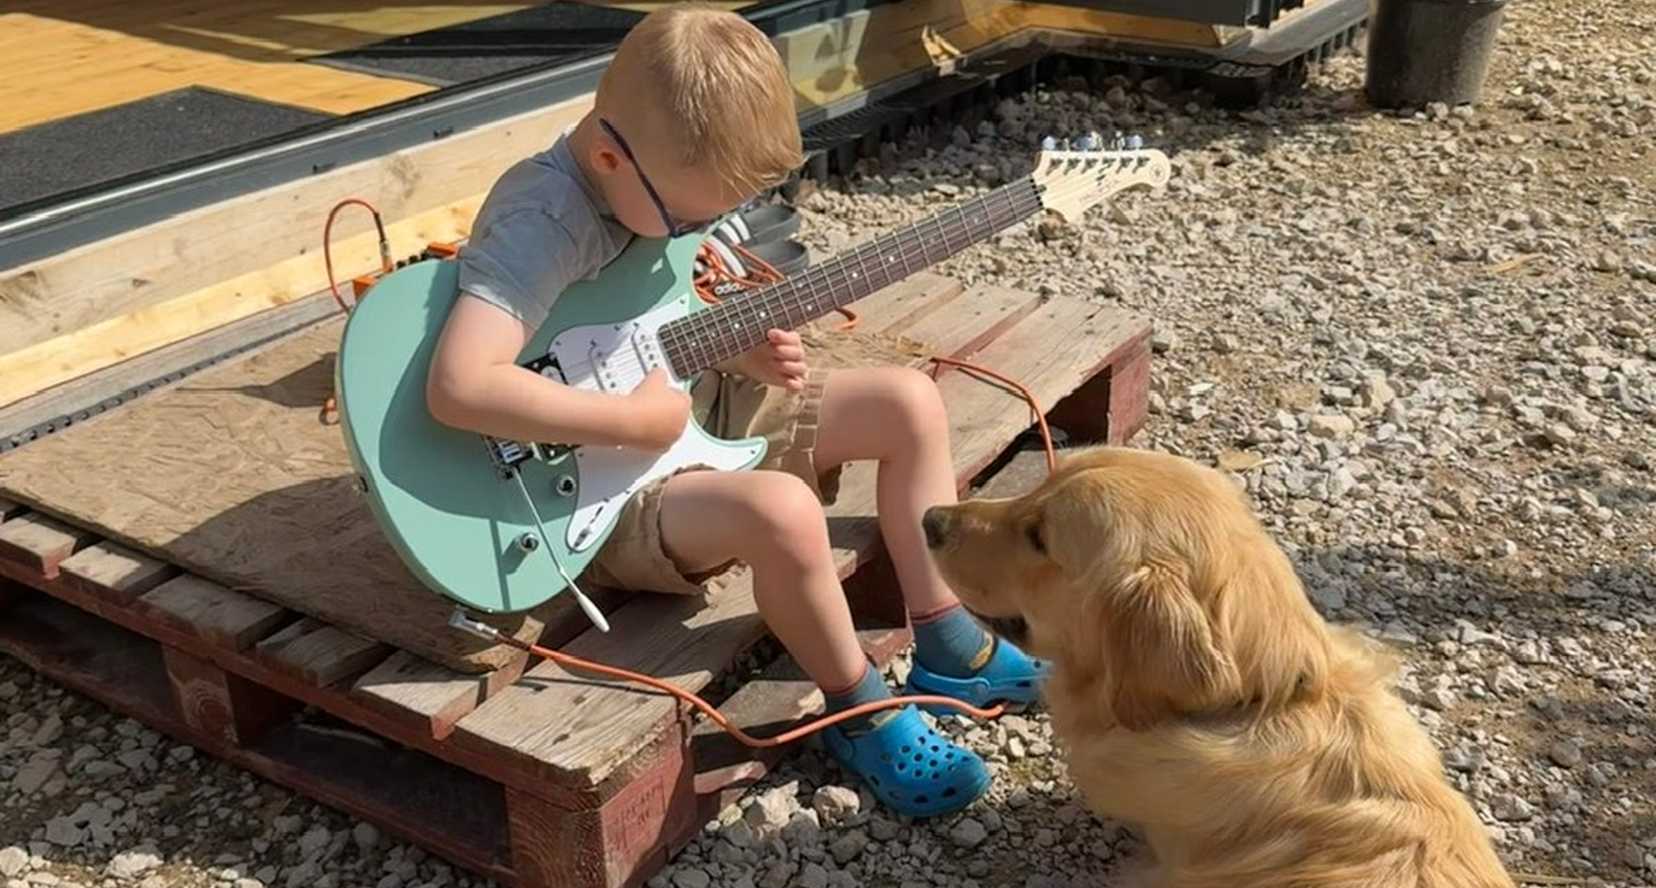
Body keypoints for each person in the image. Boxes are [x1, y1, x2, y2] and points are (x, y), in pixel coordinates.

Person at [423, 2, 1046, 818]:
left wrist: (728, 347)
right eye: (693, 216)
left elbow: (631, 329)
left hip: (682, 408)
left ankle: (946, 637)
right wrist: (637, 424)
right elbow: (460, 385)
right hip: (585, 494)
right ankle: (859, 710)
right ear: (610, 157)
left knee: (908, 400)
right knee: (784, 511)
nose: (709, 229)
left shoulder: (641, 178)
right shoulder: (543, 222)